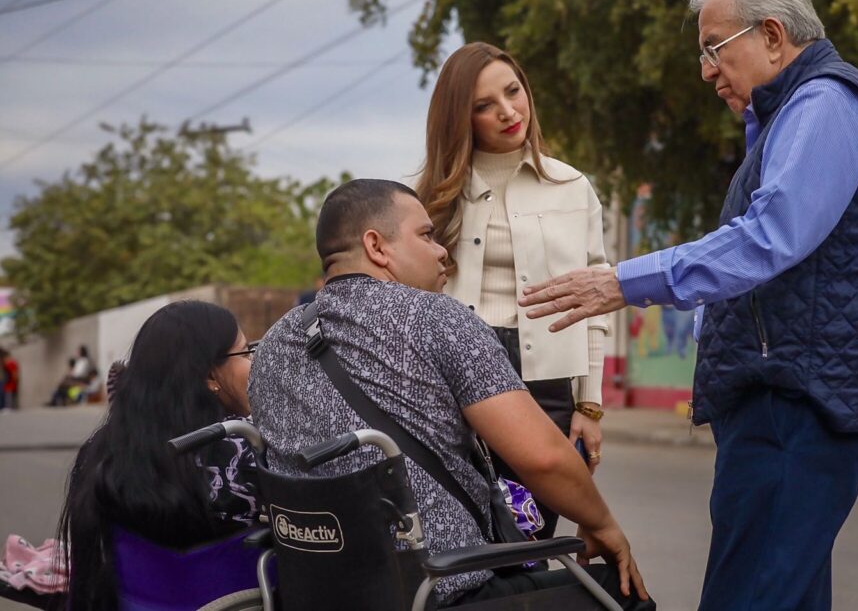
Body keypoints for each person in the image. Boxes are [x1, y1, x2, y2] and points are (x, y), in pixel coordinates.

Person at [519, 0, 858, 610]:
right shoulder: (788, 114)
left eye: (713, 49)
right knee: (786, 593)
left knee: (749, 593)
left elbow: (771, 237)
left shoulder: (824, 103)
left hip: (801, 397)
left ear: (772, 34)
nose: (707, 71)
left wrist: (623, 282)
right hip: (793, 393)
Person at [248, 179, 652, 609]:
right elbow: (544, 458)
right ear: (376, 246)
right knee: (621, 590)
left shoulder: (272, 345)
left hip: (321, 591)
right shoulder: (436, 318)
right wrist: (603, 524)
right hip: (439, 588)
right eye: (425, 235)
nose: (442, 251)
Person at [417, 42, 610, 538]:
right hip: (449, 377)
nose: (508, 112)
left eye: (513, 92)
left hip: (544, 382)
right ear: (461, 117)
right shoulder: (423, 195)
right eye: (484, 105)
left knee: (528, 534)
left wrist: (589, 405)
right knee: (457, 533)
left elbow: (594, 305)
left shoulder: (572, 187)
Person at [57, 301, 259, 609]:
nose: (253, 363)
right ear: (209, 376)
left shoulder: (100, 450)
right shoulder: (245, 446)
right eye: (245, 352)